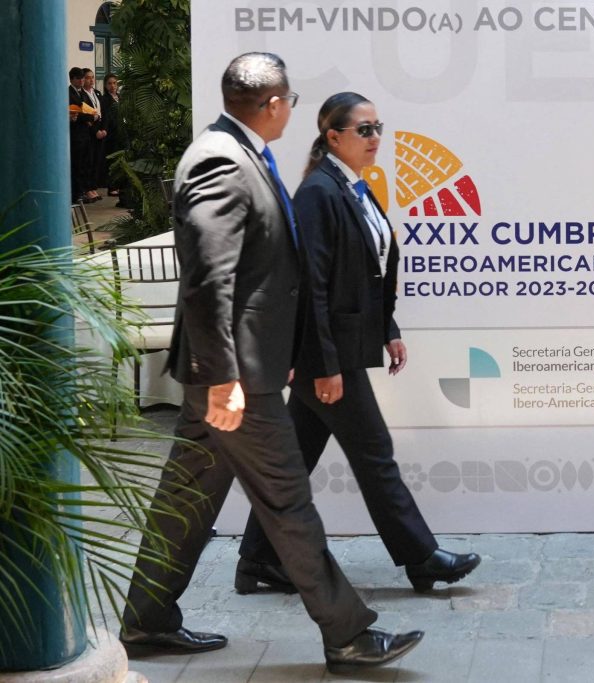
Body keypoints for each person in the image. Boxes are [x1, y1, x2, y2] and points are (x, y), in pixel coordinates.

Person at [118, 54, 422, 672]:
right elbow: (208, 279)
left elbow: (260, 275)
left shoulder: (241, 152)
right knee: (288, 503)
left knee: (187, 496)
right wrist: (225, 377)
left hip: (240, 369)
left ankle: (146, 618)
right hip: (236, 378)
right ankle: (347, 634)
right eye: (291, 102)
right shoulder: (219, 161)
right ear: (276, 104)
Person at [235, 92, 481, 596]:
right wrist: (324, 366)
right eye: (364, 130)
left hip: (337, 349)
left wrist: (387, 328)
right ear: (333, 137)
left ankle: (258, 559)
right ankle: (421, 558)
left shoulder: (351, 187)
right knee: (375, 454)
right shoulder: (318, 193)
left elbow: (368, 271)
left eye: (378, 128)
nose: (375, 138)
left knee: (295, 462)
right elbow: (311, 286)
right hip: (328, 356)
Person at [67, 67, 96, 203]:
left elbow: (89, 109)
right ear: (72, 79)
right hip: (75, 135)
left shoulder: (83, 93)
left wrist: (91, 116)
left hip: (85, 134)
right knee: (77, 165)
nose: (81, 81)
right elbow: (78, 114)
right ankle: (76, 193)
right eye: (78, 78)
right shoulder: (68, 93)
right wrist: (89, 117)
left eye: (82, 78)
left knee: (85, 164)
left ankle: (83, 190)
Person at [81, 68, 107, 199]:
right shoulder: (82, 94)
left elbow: (103, 112)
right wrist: (95, 131)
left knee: (97, 161)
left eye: (92, 77)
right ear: (83, 79)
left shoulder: (97, 93)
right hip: (90, 132)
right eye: (88, 77)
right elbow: (85, 117)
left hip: (100, 130)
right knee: (89, 161)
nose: (91, 80)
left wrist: (104, 129)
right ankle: (87, 188)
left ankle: (93, 187)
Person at [100, 73, 122, 196]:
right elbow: (106, 117)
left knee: (121, 160)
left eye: (114, 83)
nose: (112, 86)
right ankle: (112, 186)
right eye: (109, 83)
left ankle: (120, 185)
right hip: (111, 133)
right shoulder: (104, 99)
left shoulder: (120, 97)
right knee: (112, 161)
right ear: (105, 85)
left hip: (121, 132)